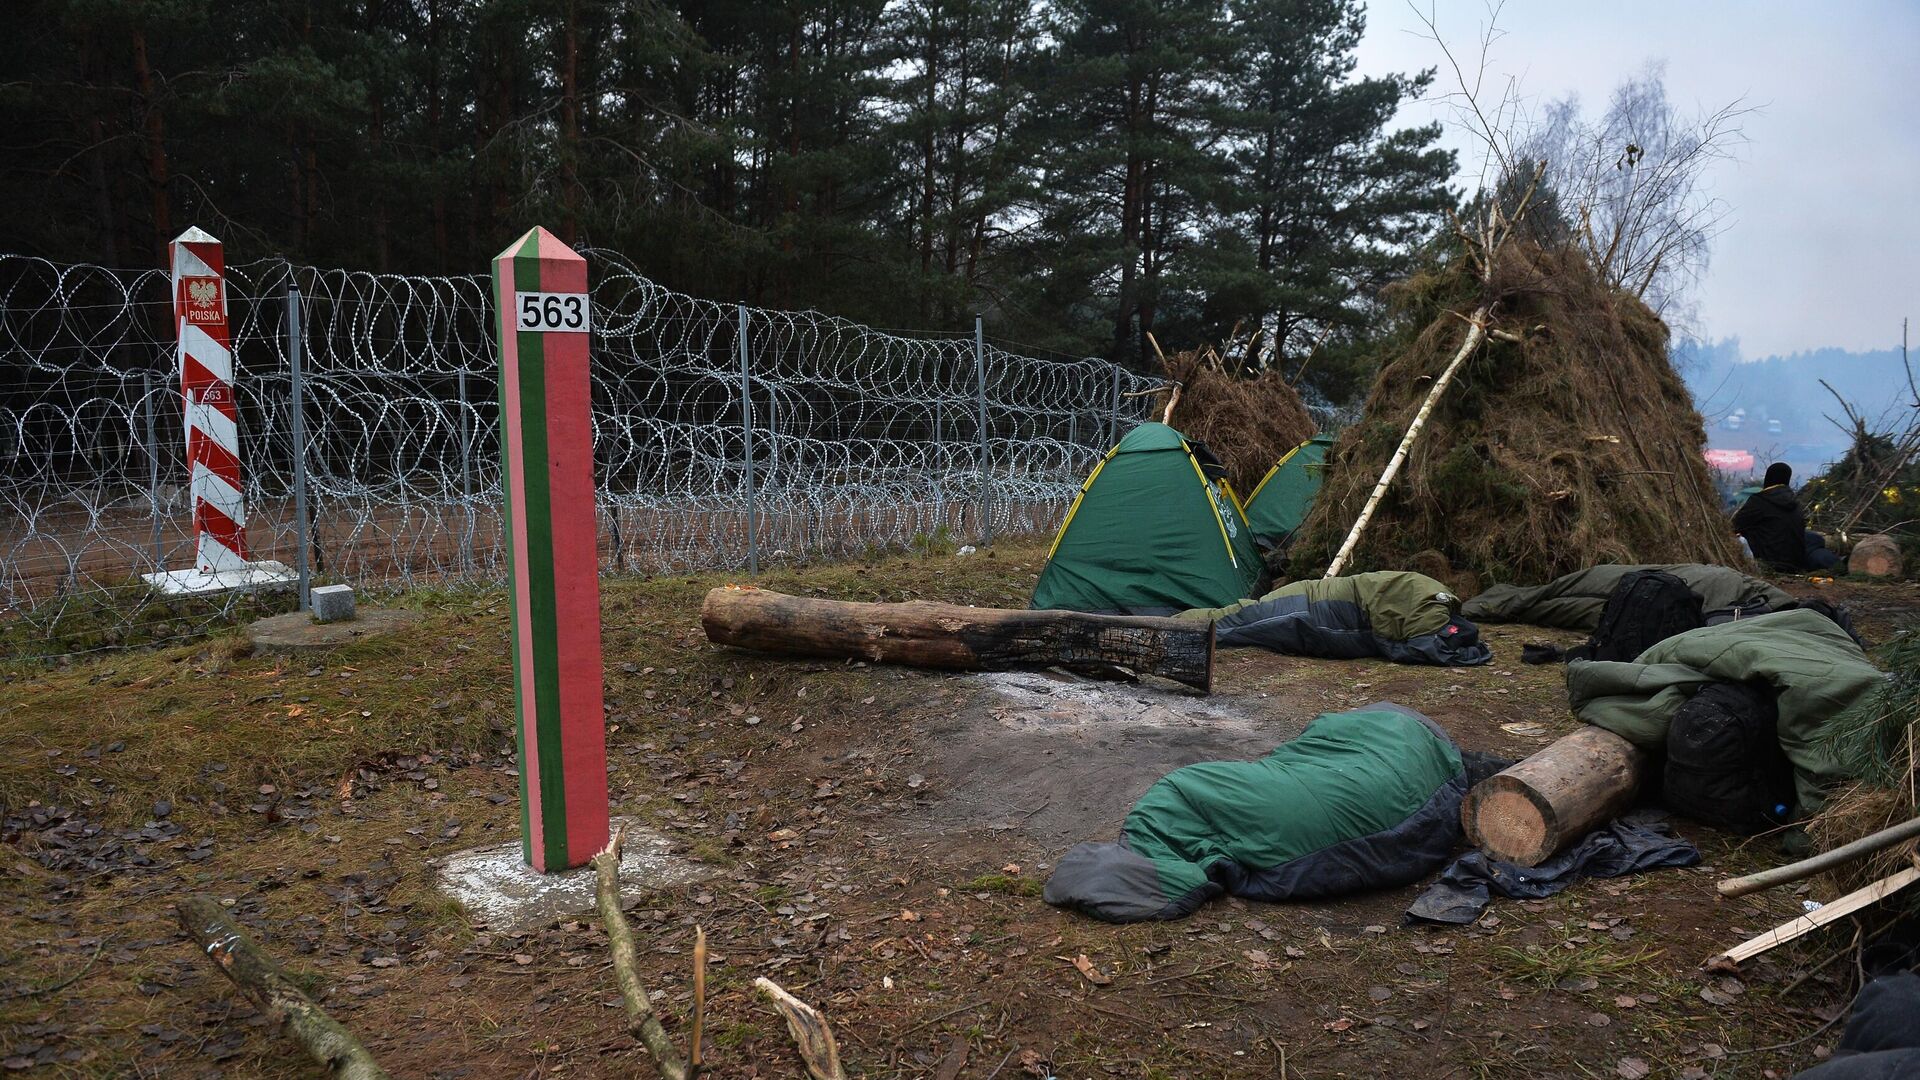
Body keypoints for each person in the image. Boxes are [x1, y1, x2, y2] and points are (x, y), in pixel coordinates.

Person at [1733, 462, 1839, 571]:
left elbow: (1735, 525)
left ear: (1768, 478)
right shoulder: (1796, 503)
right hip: (1796, 564)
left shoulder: (1759, 501)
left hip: (1768, 563)